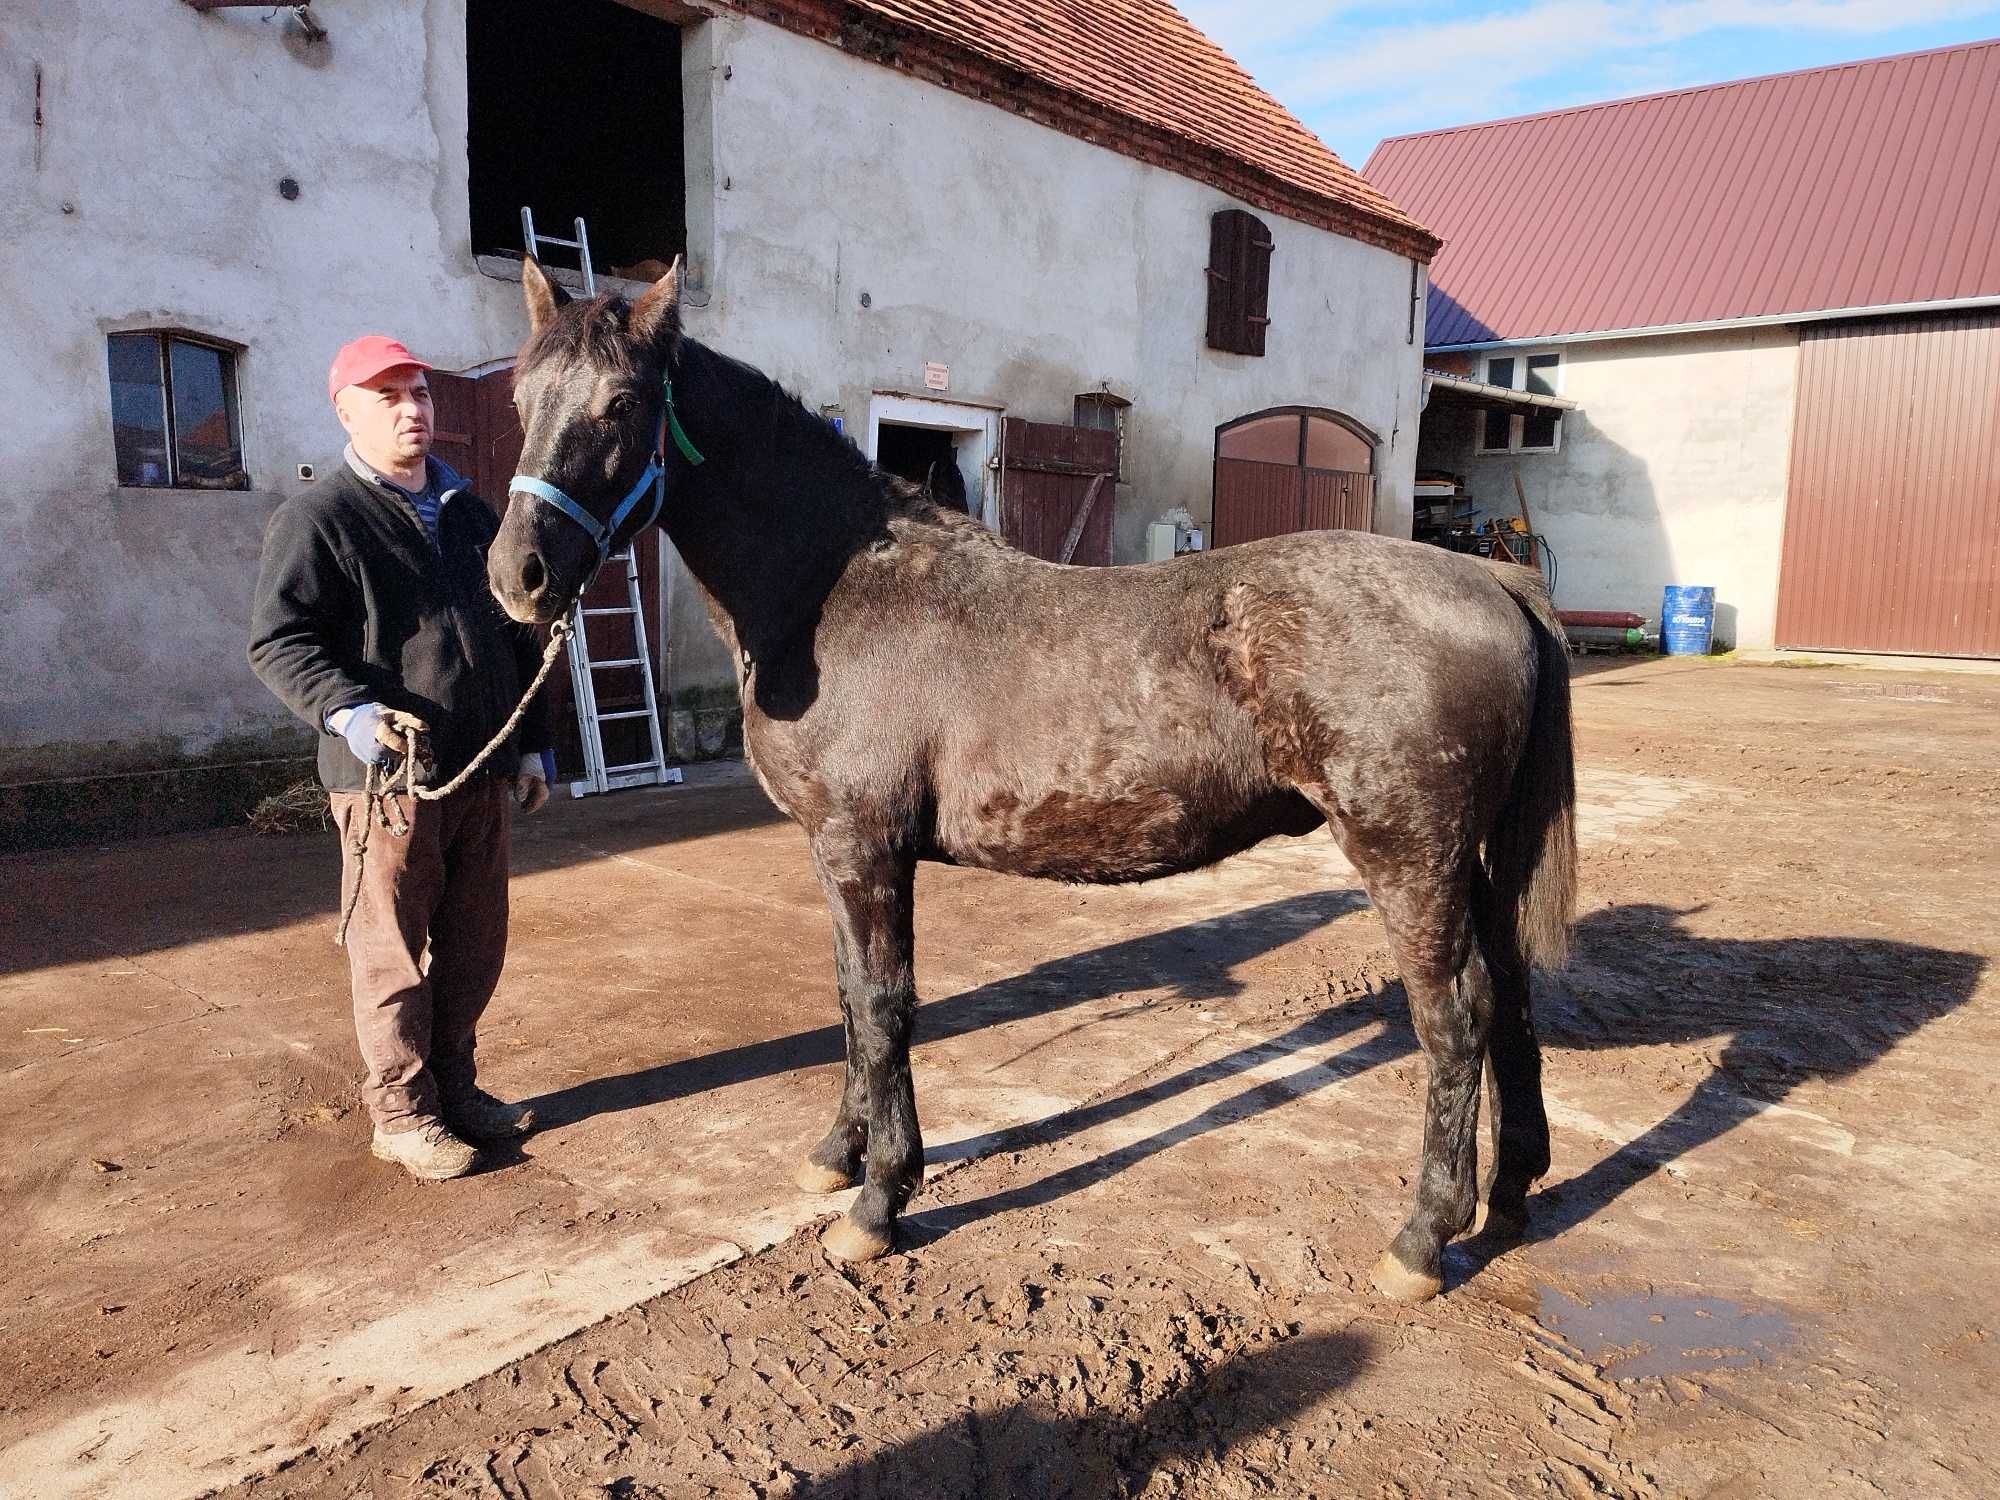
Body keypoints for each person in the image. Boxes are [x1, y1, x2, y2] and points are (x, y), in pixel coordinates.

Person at [248, 335, 557, 1180]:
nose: (412, 409)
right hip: (387, 784)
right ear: (346, 410)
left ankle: (456, 1091)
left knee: (474, 945)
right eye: (388, 396)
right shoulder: (319, 519)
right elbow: (279, 642)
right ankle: (403, 1113)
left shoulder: (472, 513)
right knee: (389, 955)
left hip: (479, 772)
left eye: (418, 393)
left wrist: (535, 747)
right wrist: (347, 713)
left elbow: (514, 635)